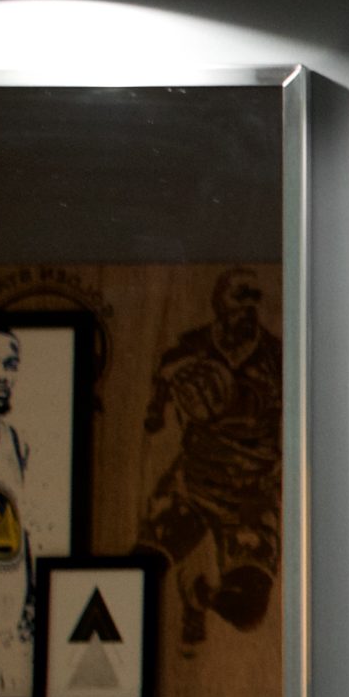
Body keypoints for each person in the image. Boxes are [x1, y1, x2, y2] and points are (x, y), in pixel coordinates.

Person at [138, 268, 281, 651]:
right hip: (194, 482)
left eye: (254, 301)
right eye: (240, 300)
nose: (248, 310)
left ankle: (202, 596)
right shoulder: (192, 348)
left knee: (249, 609)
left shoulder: (280, 359)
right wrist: (158, 408)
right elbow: (164, 380)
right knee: (138, 575)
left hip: (250, 496)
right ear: (220, 303)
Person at [0, 325, 33, 697]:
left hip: (7, 641)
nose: (3, 374)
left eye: (11, 364)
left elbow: (22, 529)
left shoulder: (16, 442)